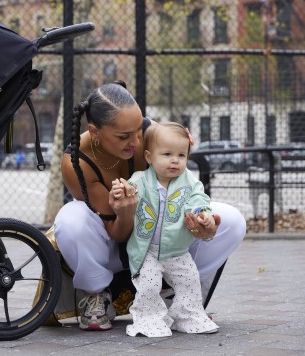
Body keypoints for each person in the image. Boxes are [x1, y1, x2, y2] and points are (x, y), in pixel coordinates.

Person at [53, 81, 246, 331]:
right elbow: (117, 232)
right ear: (95, 131)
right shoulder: (77, 162)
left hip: (162, 241)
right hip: (111, 245)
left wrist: (201, 222)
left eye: (138, 130)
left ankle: (179, 297)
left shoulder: (147, 134)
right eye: (124, 136)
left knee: (231, 220)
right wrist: (125, 212)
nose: (136, 141)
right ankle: (98, 295)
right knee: (71, 219)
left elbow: (183, 185)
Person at [112, 122, 218, 337]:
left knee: (189, 281)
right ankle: (149, 318)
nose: (175, 160)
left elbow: (197, 200)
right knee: (149, 286)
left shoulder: (189, 182)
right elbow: (131, 191)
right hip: (146, 250)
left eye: (181, 155)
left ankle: (187, 316)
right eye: (167, 154)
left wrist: (203, 214)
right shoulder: (141, 180)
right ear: (150, 157)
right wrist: (122, 190)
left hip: (177, 251)